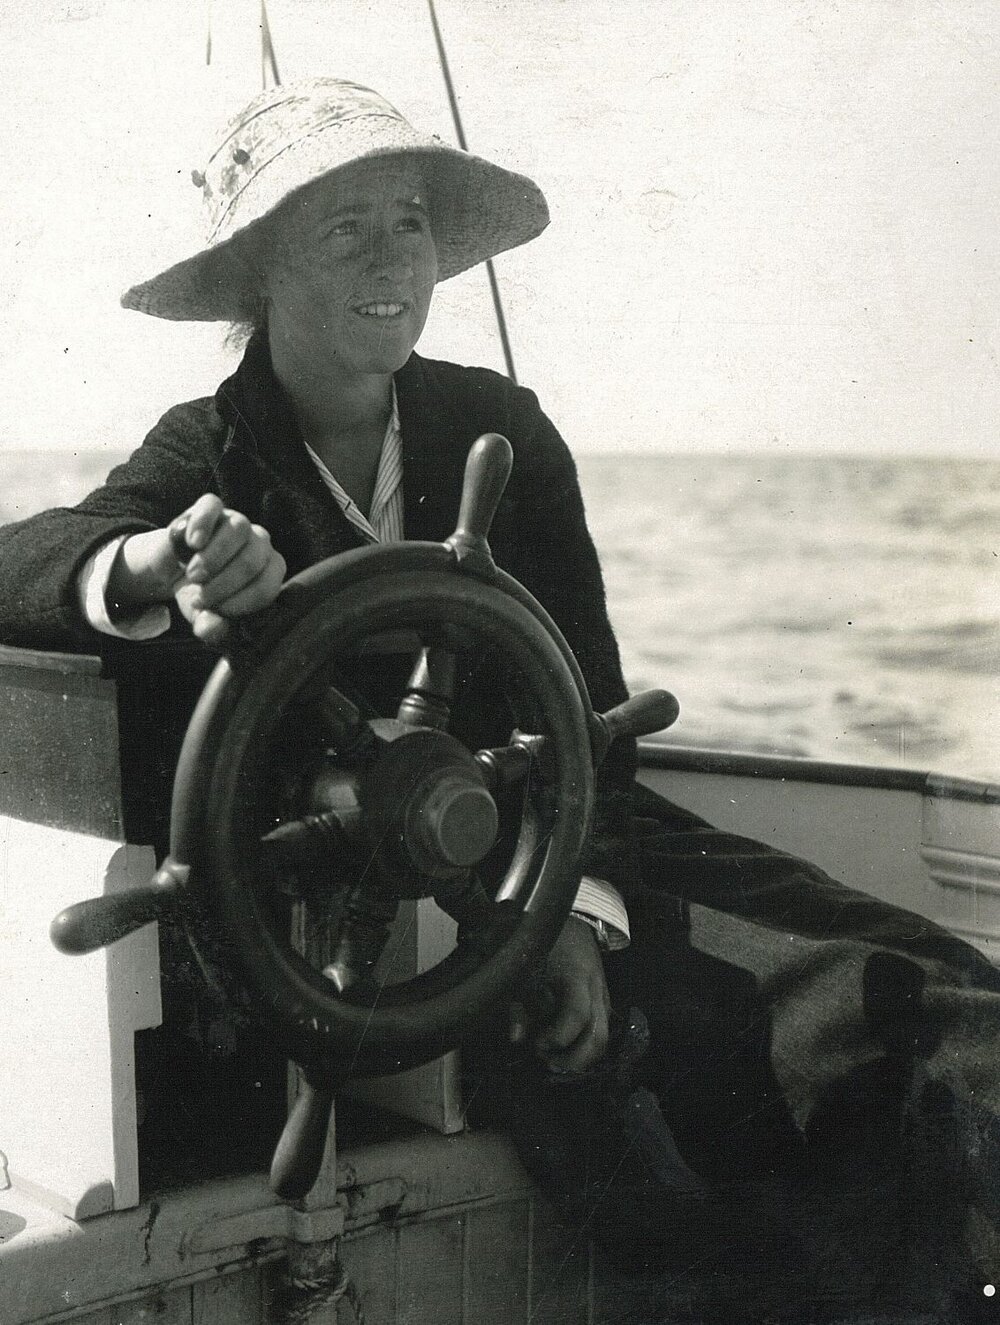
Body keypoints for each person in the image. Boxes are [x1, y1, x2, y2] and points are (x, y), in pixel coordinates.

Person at [0, 78, 997, 1322]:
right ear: (261, 270)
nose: (392, 258)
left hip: (573, 853)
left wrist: (571, 907)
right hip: (391, 929)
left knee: (951, 984)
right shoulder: (209, 452)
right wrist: (149, 561)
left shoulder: (497, 426)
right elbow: (27, 557)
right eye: (342, 226)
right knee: (878, 1046)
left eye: (408, 220)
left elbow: (595, 721)